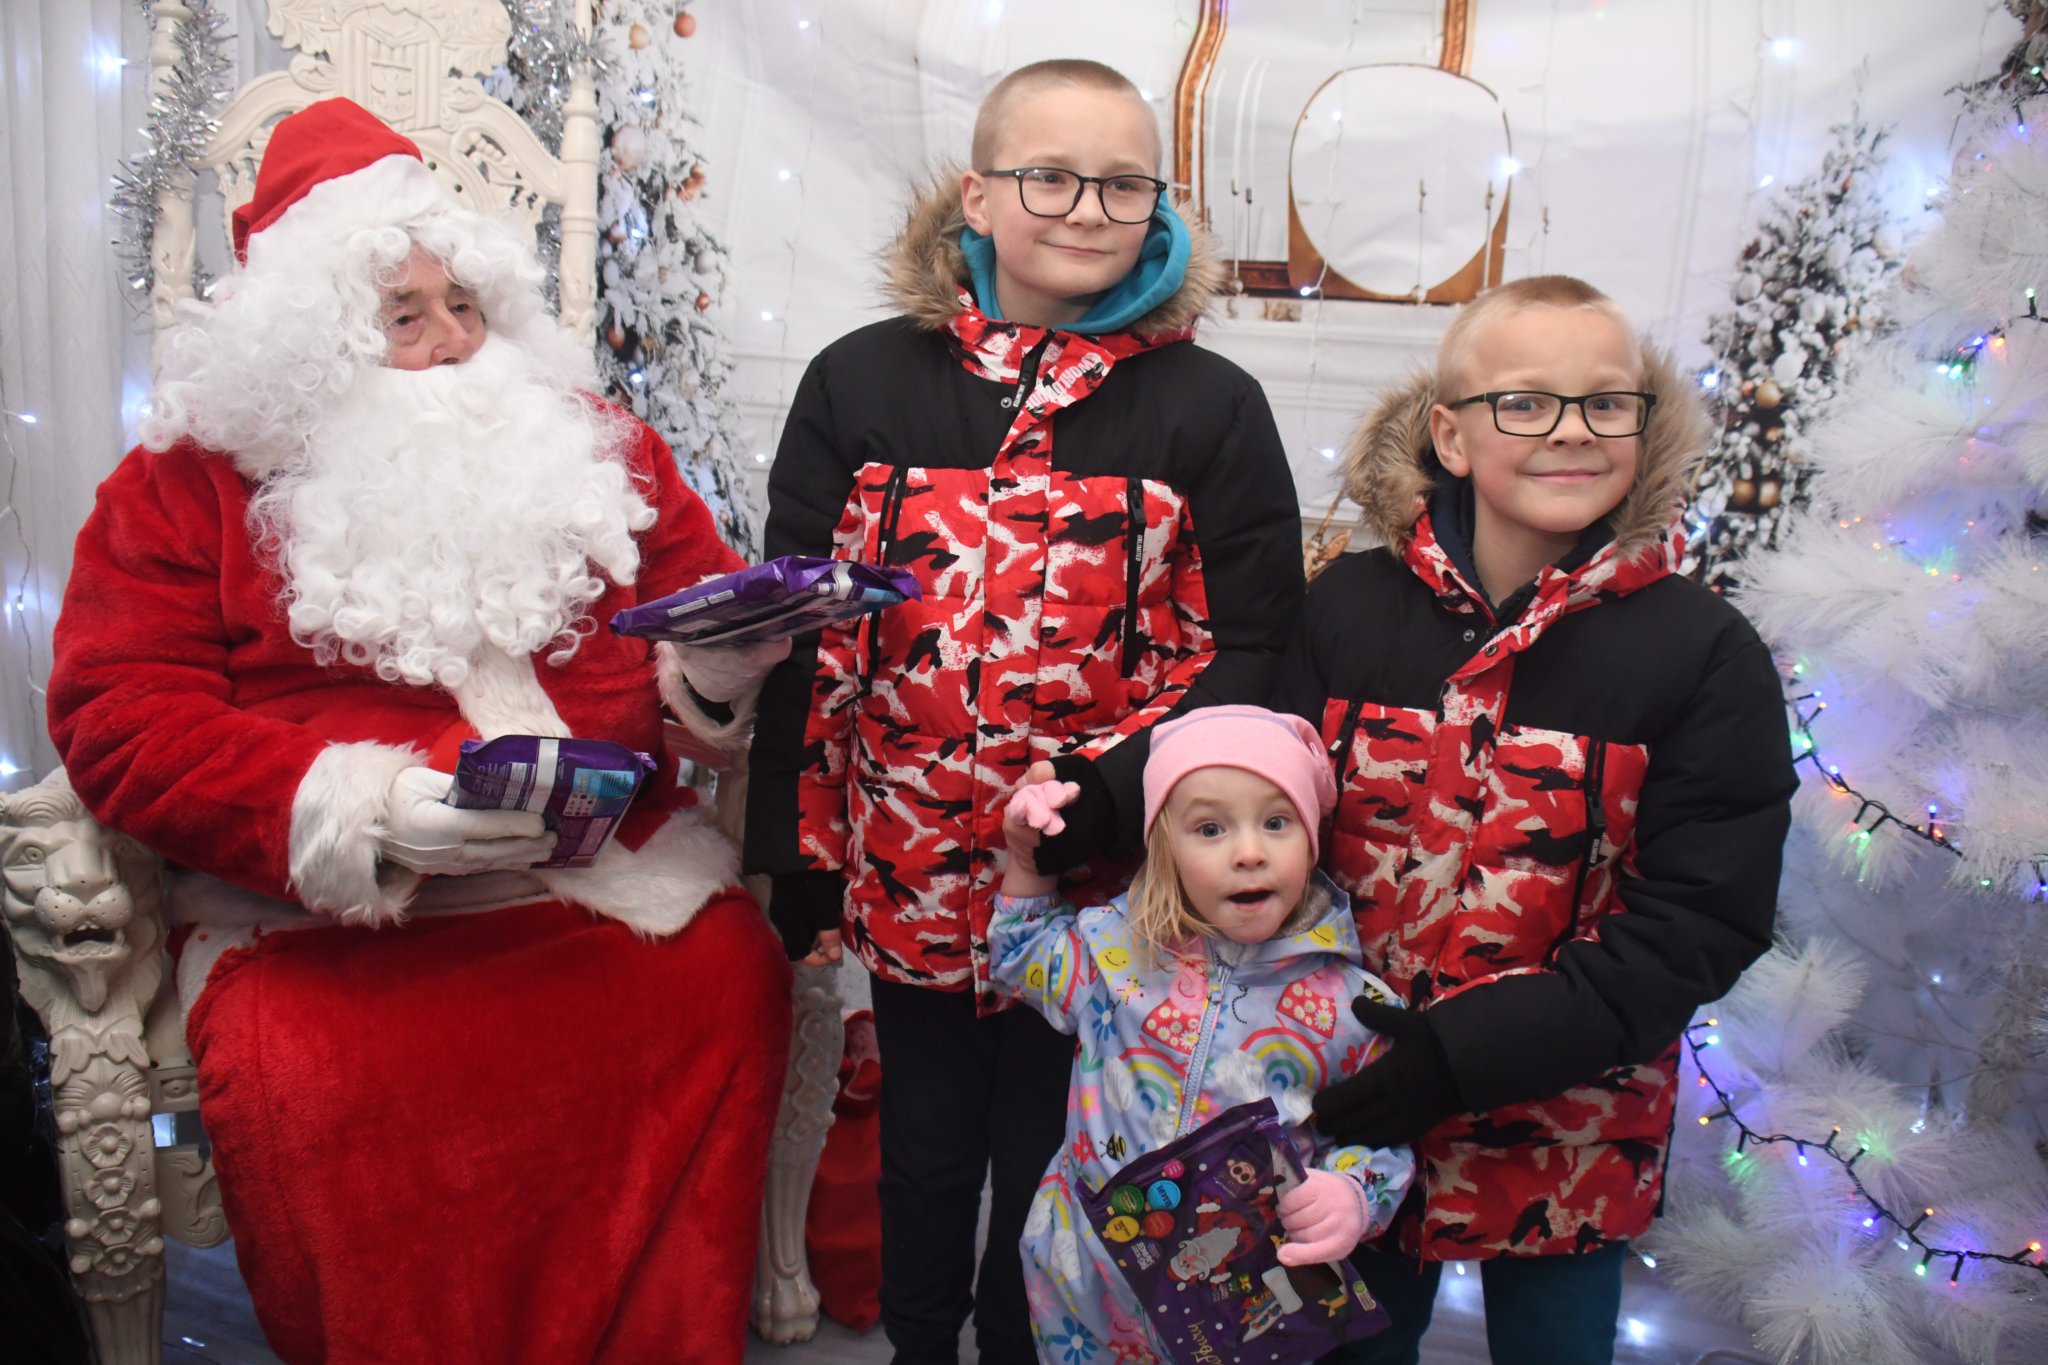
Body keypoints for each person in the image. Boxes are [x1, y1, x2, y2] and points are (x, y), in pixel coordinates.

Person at [45, 98, 791, 1365]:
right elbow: (119, 719)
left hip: (601, 885)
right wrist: (363, 809)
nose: (452, 343)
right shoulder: (181, 483)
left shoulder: (594, 449)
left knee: (722, 974)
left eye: (467, 307)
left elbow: (692, 609)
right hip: (327, 924)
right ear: (313, 345)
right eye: (405, 317)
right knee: (329, 1082)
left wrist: (716, 674)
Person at [743, 59, 1306, 1365]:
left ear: (1158, 206)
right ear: (980, 197)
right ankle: (921, 1345)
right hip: (913, 877)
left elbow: (1255, 655)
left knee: (1061, 1168)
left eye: (1122, 182)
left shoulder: (1211, 407)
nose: (1086, 207)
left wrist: (1110, 803)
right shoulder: (860, 383)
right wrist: (799, 857)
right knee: (927, 1158)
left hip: (1114, 896)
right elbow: (803, 642)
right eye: (1050, 174)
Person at [1275, 276, 1796, 1365]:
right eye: (1525, 403)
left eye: (1605, 404)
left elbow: (1697, 919)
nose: (1571, 432)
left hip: (1574, 1135)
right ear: (1450, 436)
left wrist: (1460, 1059)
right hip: (1349, 1112)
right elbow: (1262, 828)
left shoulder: (1700, 653)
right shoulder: (1343, 609)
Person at [993, 705, 1415, 1361]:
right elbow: (1022, 954)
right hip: (1086, 1285)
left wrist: (1354, 1194)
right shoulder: (1117, 951)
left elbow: (1387, 1135)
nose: (1250, 852)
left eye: (1277, 822)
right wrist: (1027, 850)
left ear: (1311, 838)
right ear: (1165, 847)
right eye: (1211, 827)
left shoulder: (1355, 1005)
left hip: (1243, 1311)